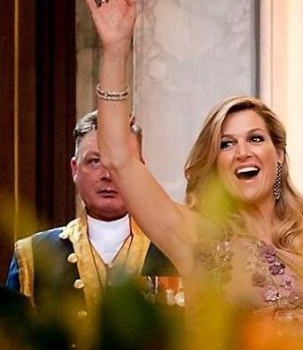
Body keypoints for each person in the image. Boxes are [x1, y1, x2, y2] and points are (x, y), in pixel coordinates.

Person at [81, 0, 303, 350]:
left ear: (278, 155)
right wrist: (115, 51)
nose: (242, 152)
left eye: (255, 138)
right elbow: (119, 159)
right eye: (226, 144)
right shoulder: (194, 237)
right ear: (215, 164)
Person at [6, 111, 176, 310]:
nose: (107, 175)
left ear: (141, 169)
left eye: (122, 162)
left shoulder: (174, 251)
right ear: (75, 169)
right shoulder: (33, 257)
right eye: (95, 161)